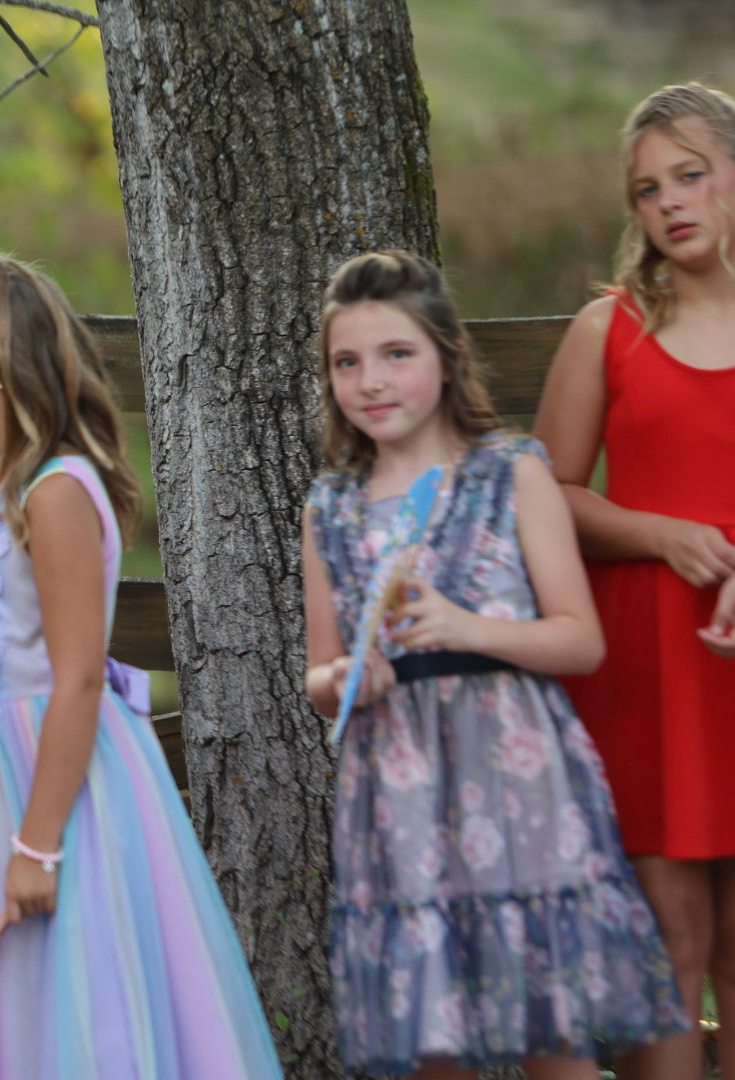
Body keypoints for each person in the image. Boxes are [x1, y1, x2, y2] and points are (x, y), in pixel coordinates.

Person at [0, 251, 284, 1079]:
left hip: (51, 779)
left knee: (77, 996)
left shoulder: (59, 490)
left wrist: (37, 845)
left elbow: (77, 676)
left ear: (2, 374)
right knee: (16, 1007)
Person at [305, 250, 686, 1078]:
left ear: (447, 358)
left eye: (396, 353)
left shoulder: (510, 473)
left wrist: (464, 626)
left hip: (520, 787)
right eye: (347, 362)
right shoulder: (330, 506)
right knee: (435, 1038)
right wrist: (346, 681)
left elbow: (578, 639)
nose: (371, 380)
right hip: (400, 794)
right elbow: (319, 673)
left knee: (551, 1033)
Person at [534, 81, 735, 1080]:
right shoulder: (608, 328)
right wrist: (660, 533)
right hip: (654, 671)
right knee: (672, 942)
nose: (670, 203)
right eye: (648, 190)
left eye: (690, 176)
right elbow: (547, 494)